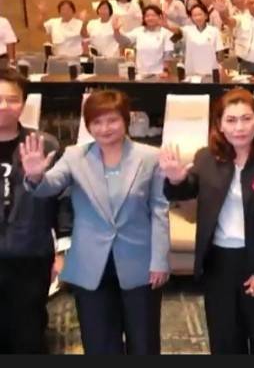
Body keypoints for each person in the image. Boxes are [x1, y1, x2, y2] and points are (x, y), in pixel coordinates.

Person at [21, 90, 169, 354]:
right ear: (88, 125)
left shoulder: (149, 156)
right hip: (90, 264)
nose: (105, 128)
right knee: (99, 343)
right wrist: (35, 176)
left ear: (126, 120)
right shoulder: (75, 156)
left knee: (144, 342)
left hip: (140, 262)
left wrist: (160, 260)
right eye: (97, 122)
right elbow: (49, 186)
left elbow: (159, 209)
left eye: (112, 120)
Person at [161, 89, 254, 354]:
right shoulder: (206, 158)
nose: (239, 128)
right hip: (219, 265)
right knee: (225, 343)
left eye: (246, 119)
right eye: (231, 120)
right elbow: (185, 190)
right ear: (220, 125)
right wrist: (176, 179)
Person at [0, 69, 71, 353]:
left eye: (12, 99)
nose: (4, 106)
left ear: (23, 103)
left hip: (30, 254)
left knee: (27, 336)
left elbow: (63, 201)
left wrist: (61, 252)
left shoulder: (45, 145)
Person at [113, 5, 175, 77]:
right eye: (147, 16)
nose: (150, 18)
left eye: (153, 15)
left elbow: (168, 54)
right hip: (141, 73)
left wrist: (165, 70)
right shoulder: (138, 31)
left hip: (159, 74)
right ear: (144, 18)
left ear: (159, 17)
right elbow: (124, 41)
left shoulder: (166, 32)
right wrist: (116, 31)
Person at [178, 3, 225, 77]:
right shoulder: (187, 30)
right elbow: (175, 34)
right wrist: (166, 26)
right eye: (194, 15)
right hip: (191, 72)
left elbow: (220, 51)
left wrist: (220, 67)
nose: (197, 18)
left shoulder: (214, 31)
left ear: (206, 16)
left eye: (200, 14)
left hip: (210, 72)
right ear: (191, 18)